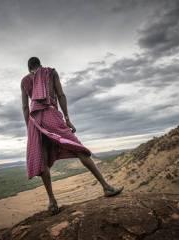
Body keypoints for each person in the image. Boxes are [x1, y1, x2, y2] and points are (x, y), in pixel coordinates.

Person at [20, 57, 123, 215]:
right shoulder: (50, 72)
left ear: (29, 69)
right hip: (50, 115)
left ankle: (53, 203)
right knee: (79, 149)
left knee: (43, 161)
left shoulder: (24, 81)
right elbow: (61, 95)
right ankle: (107, 187)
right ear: (40, 64)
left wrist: (30, 130)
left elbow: (25, 107)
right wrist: (67, 118)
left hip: (35, 121)